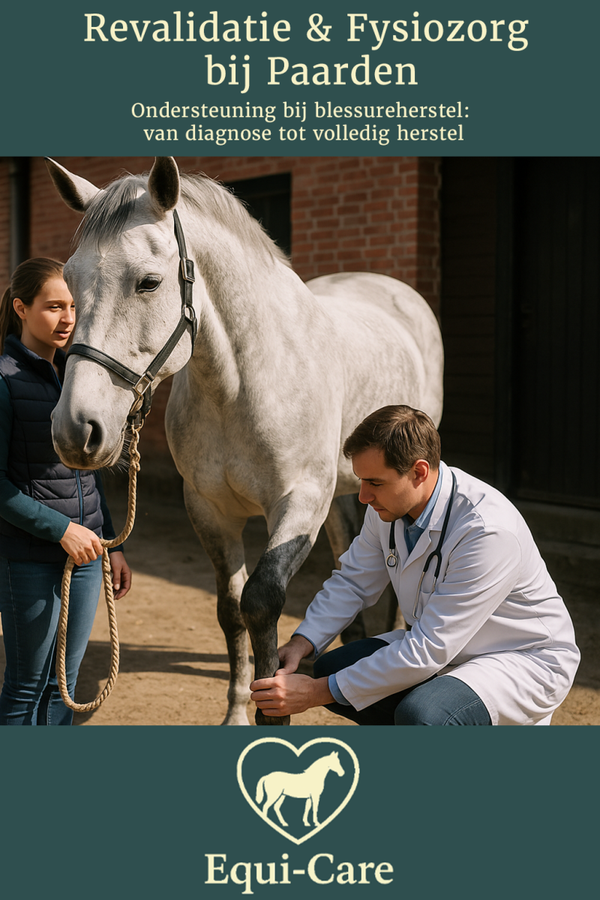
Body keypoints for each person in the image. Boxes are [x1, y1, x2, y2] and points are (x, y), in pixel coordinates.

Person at [250, 405, 580, 726]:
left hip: (522, 660)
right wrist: (302, 642)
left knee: (422, 716)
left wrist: (314, 694)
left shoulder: (487, 530)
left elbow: (429, 649)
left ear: (419, 472)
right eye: (361, 481)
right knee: (331, 668)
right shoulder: (388, 509)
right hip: (447, 649)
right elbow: (353, 582)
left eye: (375, 483)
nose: (363, 496)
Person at [0, 258, 132, 725]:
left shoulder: (73, 378)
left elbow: (85, 470)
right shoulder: (3, 380)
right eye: (54, 306)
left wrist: (109, 540)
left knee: (64, 688)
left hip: (88, 554)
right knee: (24, 689)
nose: (68, 318)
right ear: (21, 307)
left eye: (73, 306)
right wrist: (61, 530)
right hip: (29, 558)